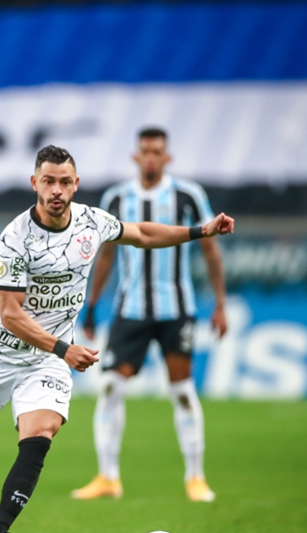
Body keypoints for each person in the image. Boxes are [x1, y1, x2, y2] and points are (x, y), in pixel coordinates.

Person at [0, 145, 234, 533]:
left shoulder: (91, 221)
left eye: (64, 181)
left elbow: (142, 233)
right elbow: (11, 316)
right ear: (35, 183)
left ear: (76, 184)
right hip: (1, 352)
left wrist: (200, 232)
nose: (56, 190)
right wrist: (66, 348)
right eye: (48, 181)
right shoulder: (15, 239)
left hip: (48, 359)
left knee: (39, 435)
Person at [72, 127, 227, 503]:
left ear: (167, 157)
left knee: (183, 391)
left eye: (158, 151)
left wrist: (220, 303)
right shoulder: (117, 197)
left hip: (177, 309)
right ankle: (108, 477)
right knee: (109, 386)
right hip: (131, 309)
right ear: (136, 157)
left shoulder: (188, 195)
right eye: (146, 151)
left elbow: (209, 250)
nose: (152, 157)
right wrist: (92, 304)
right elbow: (105, 253)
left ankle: (196, 478)